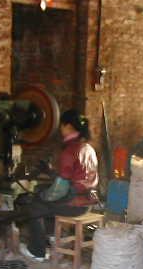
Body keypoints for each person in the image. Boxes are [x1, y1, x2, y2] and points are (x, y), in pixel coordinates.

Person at [19, 109, 99, 261]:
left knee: (35, 205)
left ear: (68, 126)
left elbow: (60, 190)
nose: (61, 129)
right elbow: (77, 177)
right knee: (43, 195)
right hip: (88, 200)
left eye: (62, 126)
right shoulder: (88, 148)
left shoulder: (70, 150)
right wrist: (50, 172)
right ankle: (52, 237)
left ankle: (37, 252)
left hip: (74, 204)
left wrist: (42, 196)